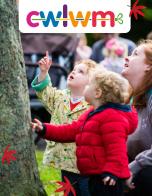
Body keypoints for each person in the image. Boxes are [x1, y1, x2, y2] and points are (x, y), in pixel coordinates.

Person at [31, 69, 138, 196]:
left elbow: (117, 149)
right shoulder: (92, 113)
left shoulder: (112, 118)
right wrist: (45, 129)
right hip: (94, 175)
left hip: (108, 179)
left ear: (97, 93)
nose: (86, 87)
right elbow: (71, 130)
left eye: (89, 85)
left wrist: (112, 172)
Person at [31, 51, 97, 196]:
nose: (74, 72)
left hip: (84, 162)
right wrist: (44, 72)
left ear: (91, 83)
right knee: (69, 191)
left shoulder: (93, 105)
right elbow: (44, 91)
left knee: (86, 191)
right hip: (64, 161)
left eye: (81, 72)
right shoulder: (61, 96)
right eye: (74, 69)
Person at [121, 40, 152, 196]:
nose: (126, 58)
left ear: (148, 66)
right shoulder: (132, 100)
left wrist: (133, 167)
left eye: (135, 54)